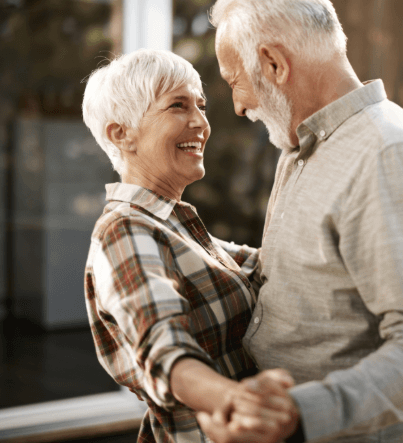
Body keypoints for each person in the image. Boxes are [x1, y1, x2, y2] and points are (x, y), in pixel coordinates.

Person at [198, 0, 403, 443]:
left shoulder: (391, 153)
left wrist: (296, 415)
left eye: (235, 81)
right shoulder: (298, 149)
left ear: (274, 64)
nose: (239, 105)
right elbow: (298, 276)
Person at [81, 48, 298, 443]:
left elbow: (279, 266)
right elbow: (164, 351)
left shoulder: (177, 230)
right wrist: (238, 401)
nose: (201, 122)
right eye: (178, 106)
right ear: (120, 133)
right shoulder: (125, 230)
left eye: (200, 105)